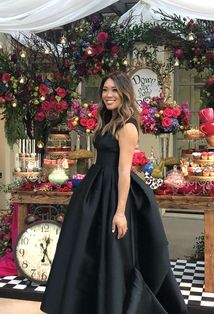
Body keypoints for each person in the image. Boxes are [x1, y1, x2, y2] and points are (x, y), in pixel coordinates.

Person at [41, 71, 187, 314]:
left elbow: (123, 172)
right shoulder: (106, 120)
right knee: (86, 250)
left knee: (113, 251)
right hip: (96, 189)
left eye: (114, 90)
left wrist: (120, 212)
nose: (108, 95)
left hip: (113, 192)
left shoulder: (127, 127)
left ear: (124, 93)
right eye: (105, 90)